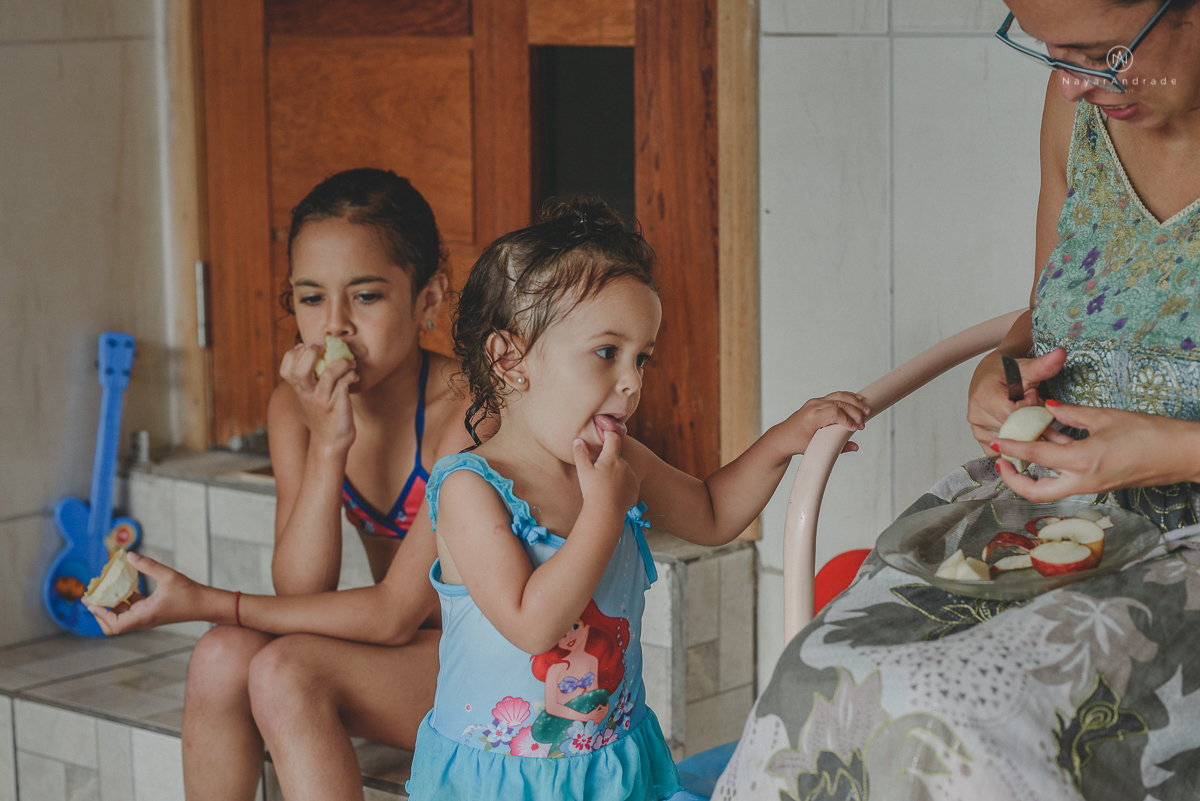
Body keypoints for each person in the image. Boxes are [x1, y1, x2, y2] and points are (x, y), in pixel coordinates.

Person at [715, 1, 1200, 798]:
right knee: (819, 683)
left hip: (1181, 544)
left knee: (953, 718)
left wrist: (1171, 447)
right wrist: (1002, 366)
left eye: (1100, 52)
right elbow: (1045, 314)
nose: (1074, 85)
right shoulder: (1077, 106)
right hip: (1040, 513)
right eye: (1051, 53)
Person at [403, 198, 869, 800]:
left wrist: (785, 440)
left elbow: (712, 513)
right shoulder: (471, 487)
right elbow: (531, 622)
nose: (632, 381)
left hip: (614, 765)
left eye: (641, 357)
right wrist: (605, 509)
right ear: (509, 360)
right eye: (606, 352)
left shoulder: (620, 464)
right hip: (505, 782)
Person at [89, 169, 477, 801]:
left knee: (284, 671)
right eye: (311, 298)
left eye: (367, 296)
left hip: (492, 668)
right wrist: (329, 446)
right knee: (222, 656)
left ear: (429, 298)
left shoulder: (468, 414)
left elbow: (393, 614)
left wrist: (206, 599)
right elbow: (301, 585)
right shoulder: (297, 409)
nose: (335, 327)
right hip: (407, 659)